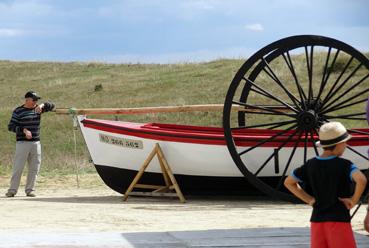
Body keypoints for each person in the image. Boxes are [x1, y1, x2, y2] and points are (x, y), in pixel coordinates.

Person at [284, 122, 367, 248]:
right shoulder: (345, 165)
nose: (346, 145)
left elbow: (289, 182)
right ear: (339, 144)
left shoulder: (310, 164)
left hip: (317, 221)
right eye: (345, 142)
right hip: (339, 220)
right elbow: (361, 180)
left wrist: (309, 199)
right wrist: (353, 200)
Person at [6, 90, 55, 197]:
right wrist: (23, 130)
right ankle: (12, 190)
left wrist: (42, 105)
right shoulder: (18, 111)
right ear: (27, 100)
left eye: (37, 100)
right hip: (22, 143)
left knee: (34, 167)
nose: (35, 102)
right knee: (18, 167)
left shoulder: (38, 109)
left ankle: (30, 190)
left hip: (36, 143)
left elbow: (52, 105)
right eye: (34, 100)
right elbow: (11, 126)